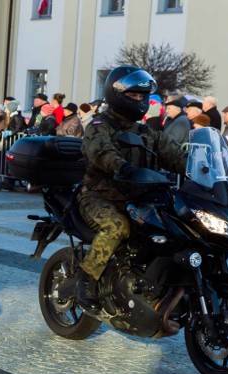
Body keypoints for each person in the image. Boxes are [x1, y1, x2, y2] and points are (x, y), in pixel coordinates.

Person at [75, 66, 187, 311]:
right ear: (117, 95)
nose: (140, 101)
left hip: (140, 198)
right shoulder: (99, 125)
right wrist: (121, 166)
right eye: (134, 96)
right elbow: (101, 150)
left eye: (142, 96)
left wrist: (205, 169)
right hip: (100, 197)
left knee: (177, 228)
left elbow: (175, 154)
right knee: (117, 227)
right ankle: (86, 280)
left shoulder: (147, 132)